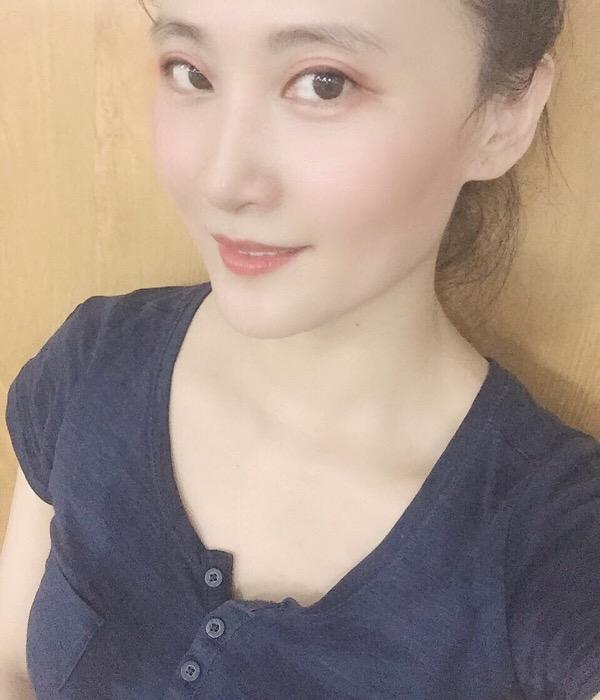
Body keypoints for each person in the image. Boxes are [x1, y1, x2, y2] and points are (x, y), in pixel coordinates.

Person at [2, 0, 599, 698]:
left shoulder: (554, 545)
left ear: (505, 114)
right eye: (191, 72)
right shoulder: (94, 361)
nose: (221, 180)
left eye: (324, 83)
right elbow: (13, 665)